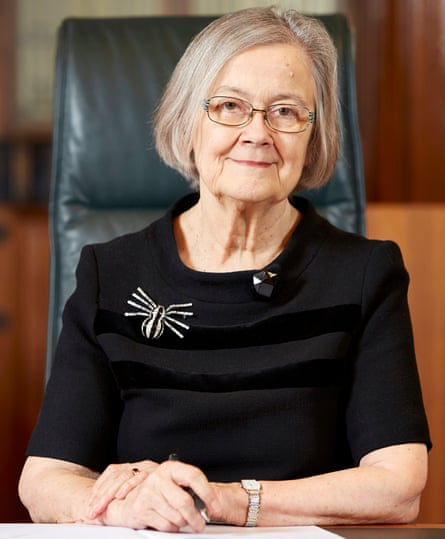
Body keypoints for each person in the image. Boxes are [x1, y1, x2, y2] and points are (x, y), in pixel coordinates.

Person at [19, 6, 430, 532]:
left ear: (314, 137)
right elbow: (45, 479)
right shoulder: (112, 273)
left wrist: (226, 501)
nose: (258, 133)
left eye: (285, 111)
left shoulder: (365, 273)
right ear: (188, 121)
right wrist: (120, 507)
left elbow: (398, 485)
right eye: (230, 106)